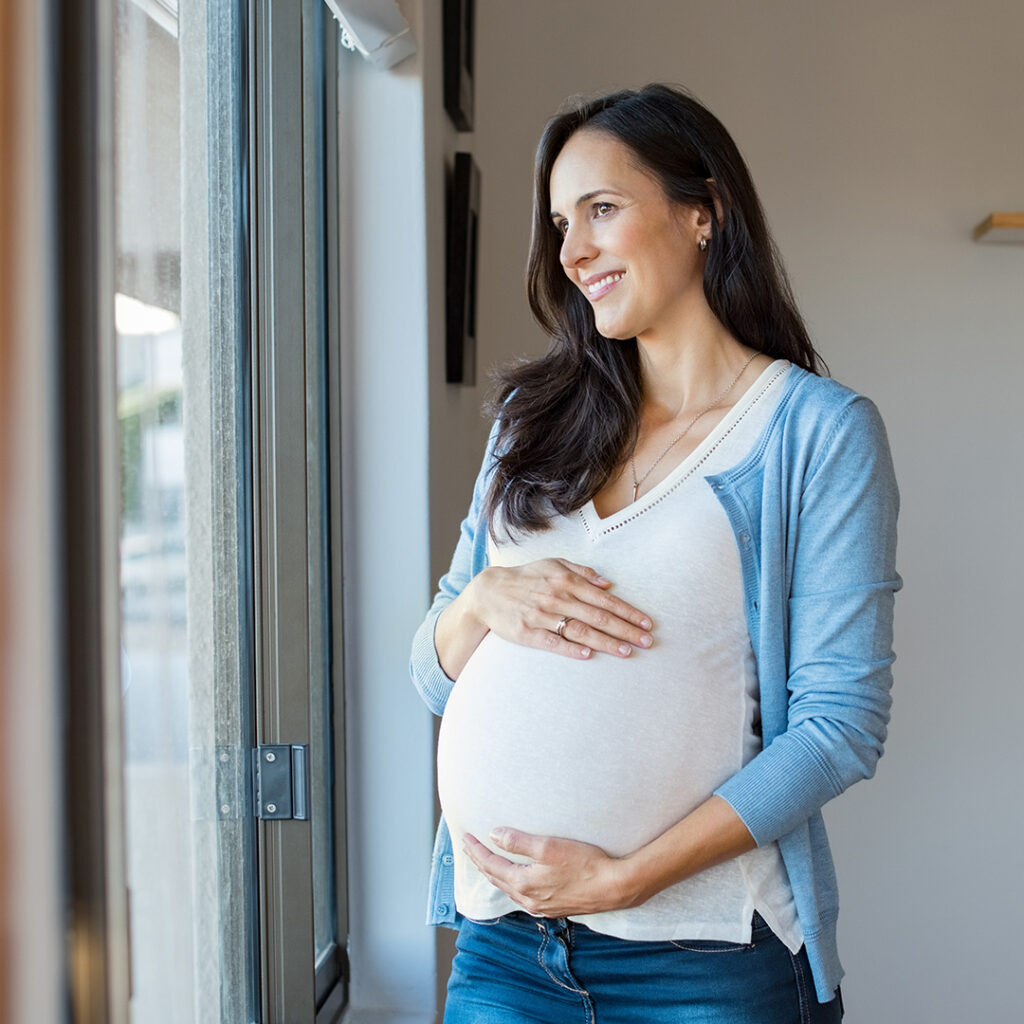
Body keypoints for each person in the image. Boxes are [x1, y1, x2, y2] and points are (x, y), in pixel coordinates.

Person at [410, 83, 899, 1024]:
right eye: (560, 223)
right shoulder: (529, 422)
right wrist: (480, 606)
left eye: (601, 210)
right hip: (507, 946)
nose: (572, 251)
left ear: (702, 211)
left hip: (705, 959)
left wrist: (627, 878)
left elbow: (840, 727)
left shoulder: (813, 433)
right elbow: (430, 676)